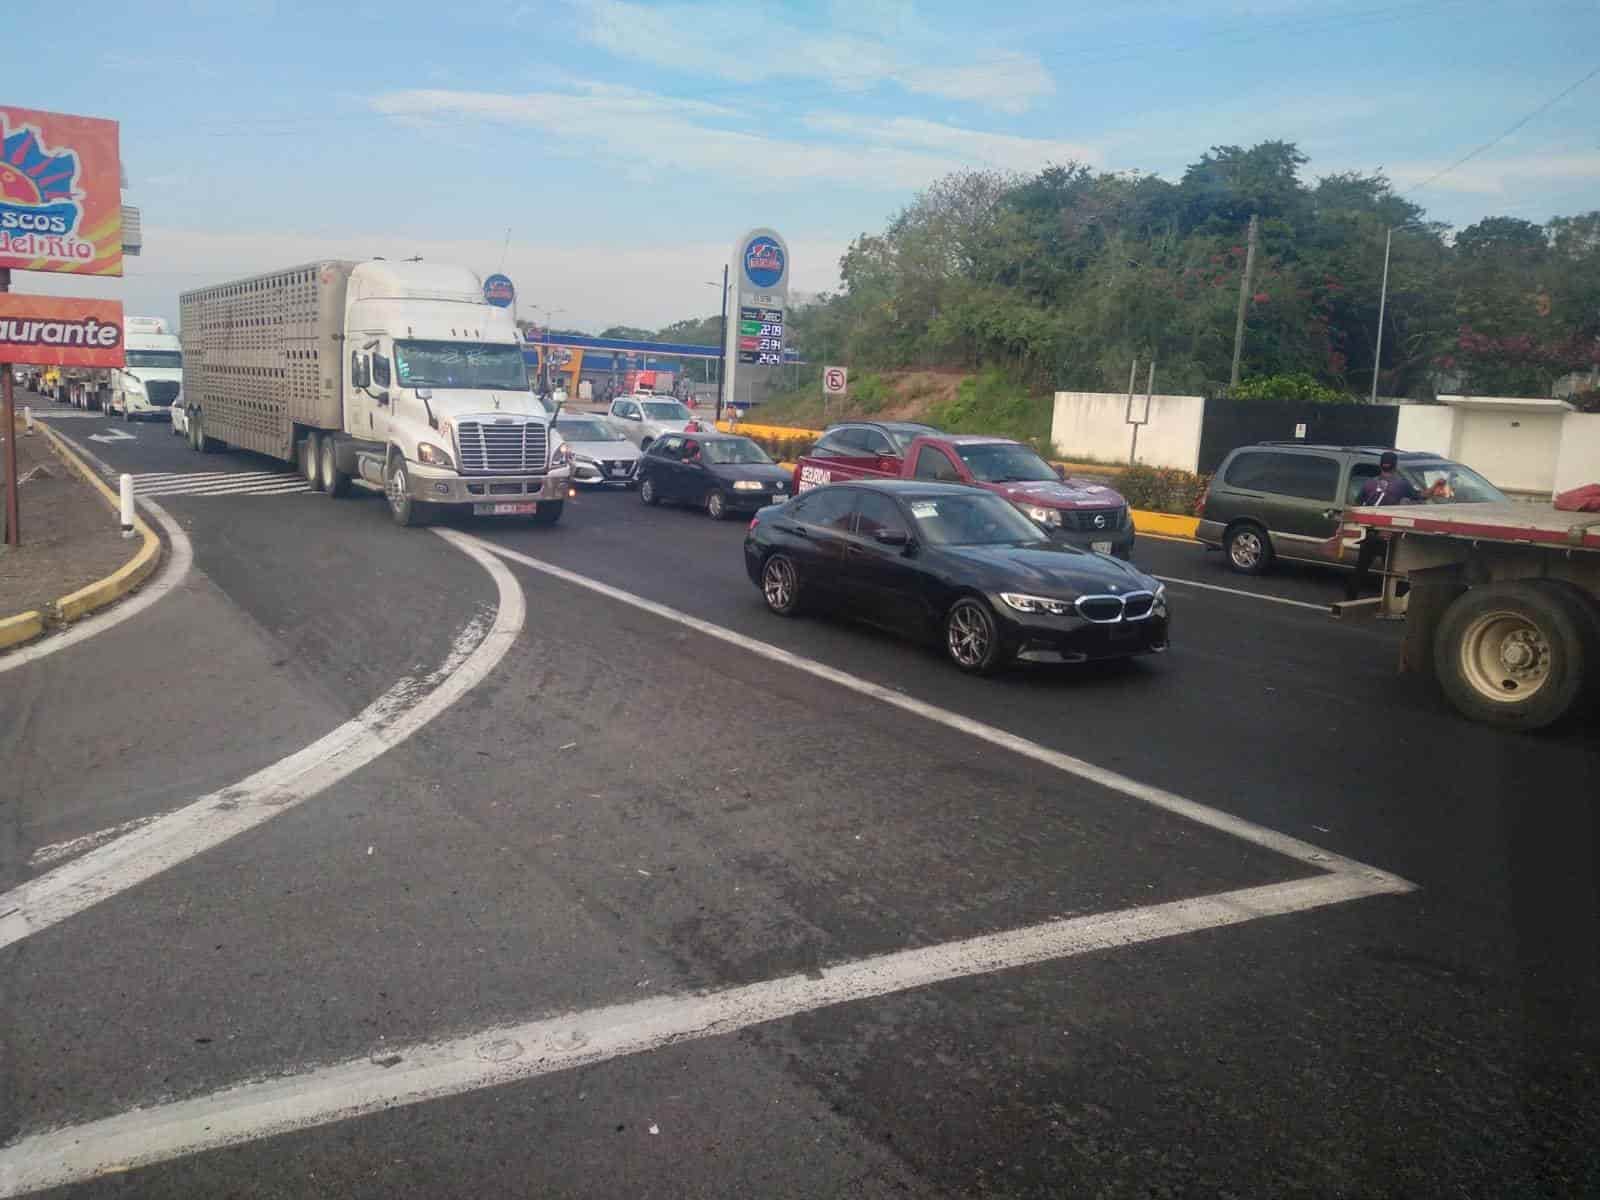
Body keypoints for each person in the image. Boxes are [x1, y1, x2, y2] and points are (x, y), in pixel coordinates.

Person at [1346, 452, 1419, 600]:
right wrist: (1435, 489)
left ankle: (1350, 598)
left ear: (1381, 465)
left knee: (1361, 568)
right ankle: (1399, 601)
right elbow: (1419, 496)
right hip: (1388, 535)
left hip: (1371, 534)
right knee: (1395, 569)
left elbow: (1357, 505)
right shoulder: (1401, 484)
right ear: (1395, 465)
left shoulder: (1369, 483)